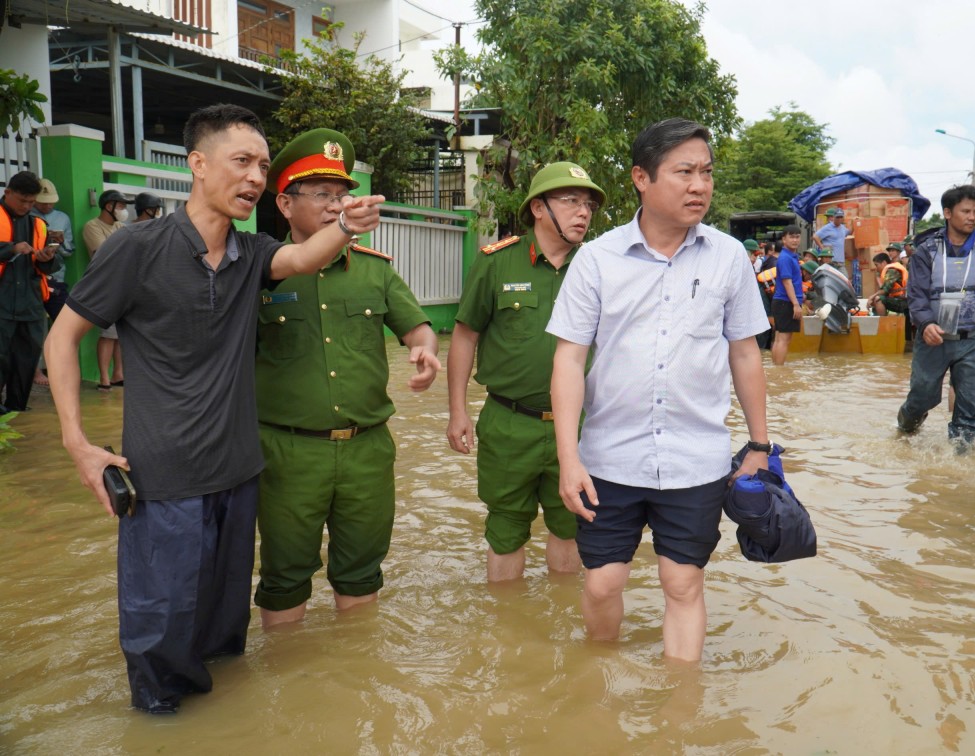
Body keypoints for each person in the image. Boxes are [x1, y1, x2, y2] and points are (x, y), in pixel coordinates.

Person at [44, 103, 386, 714]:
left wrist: (350, 223)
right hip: (164, 479)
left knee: (226, 640)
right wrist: (77, 441)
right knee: (161, 638)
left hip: (239, 474)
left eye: (261, 165)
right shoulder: (137, 249)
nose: (256, 176)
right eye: (242, 161)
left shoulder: (252, 254)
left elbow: (304, 258)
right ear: (198, 164)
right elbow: (63, 337)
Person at [547, 118, 770, 661]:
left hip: (696, 459)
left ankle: (679, 714)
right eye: (684, 172)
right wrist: (569, 459)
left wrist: (760, 445)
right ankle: (596, 681)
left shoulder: (728, 258)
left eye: (707, 173)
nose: (700, 186)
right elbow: (569, 360)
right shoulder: (597, 260)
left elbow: (744, 352)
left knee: (683, 585)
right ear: (641, 179)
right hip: (609, 458)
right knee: (601, 584)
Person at [254, 128, 439, 626]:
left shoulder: (375, 271)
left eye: (341, 195)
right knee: (283, 577)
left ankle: (353, 678)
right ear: (286, 204)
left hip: (366, 450)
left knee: (361, 574)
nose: (335, 204)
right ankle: (287, 691)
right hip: (289, 453)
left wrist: (425, 354)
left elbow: (417, 328)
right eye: (321, 195)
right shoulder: (259, 272)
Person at [447, 161, 605, 582]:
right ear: (538, 207)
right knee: (505, 532)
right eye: (570, 201)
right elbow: (465, 336)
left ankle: (561, 629)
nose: (583, 212)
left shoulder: (597, 266)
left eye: (587, 204)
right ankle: (506, 632)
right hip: (509, 422)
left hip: (580, 426)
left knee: (572, 526)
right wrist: (457, 411)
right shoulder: (497, 263)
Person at [896, 185, 975, 452]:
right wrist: (925, 324)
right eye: (965, 211)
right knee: (922, 397)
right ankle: (905, 429)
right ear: (948, 213)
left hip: (974, 339)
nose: (972, 217)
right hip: (934, 337)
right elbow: (917, 295)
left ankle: (962, 460)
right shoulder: (926, 251)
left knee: (969, 407)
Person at [0, 171, 62, 412]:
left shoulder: (39, 225)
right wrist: (10, 249)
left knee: (26, 362)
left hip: (31, 305)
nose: (27, 206)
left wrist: (48, 257)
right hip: (2, 304)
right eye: (22, 200)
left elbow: (53, 266)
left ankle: (17, 410)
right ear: (7, 193)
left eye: (31, 202)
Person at [82, 189, 129, 390]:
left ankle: (118, 374)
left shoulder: (120, 226)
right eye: (120, 206)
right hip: (106, 284)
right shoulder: (92, 226)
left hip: (124, 283)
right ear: (108, 206)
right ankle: (103, 378)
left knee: (121, 334)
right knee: (108, 333)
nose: (123, 210)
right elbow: (103, 253)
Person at [30, 178, 75, 385]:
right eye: (43, 202)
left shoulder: (62, 218)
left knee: (64, 325)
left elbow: (68, 252)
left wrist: (62, 245)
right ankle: (36, 370)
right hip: (33, 279)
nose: (48, 206)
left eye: (51, 202)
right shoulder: (28, 217)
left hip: (56, 279)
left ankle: (59, 368)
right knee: (35, 327)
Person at [770, 224, 804, 366]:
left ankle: (776, 369)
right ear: (784, 239)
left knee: (779, 338)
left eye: (797, 237)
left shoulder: (791, 256)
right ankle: (779, 370)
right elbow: (787, 282)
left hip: (783, 301)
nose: (795, 240)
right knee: (784, 339)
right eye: (791, 237)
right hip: (786, 302)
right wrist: (795, 304)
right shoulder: (785, 258)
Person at [868, 252, 908, 316]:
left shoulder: (892, 270)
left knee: (878, 299)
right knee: (874, 301)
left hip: (904, 302)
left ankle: (883, 324)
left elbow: (884, 290)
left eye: (876, 265)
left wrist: (871, 297)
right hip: (899, 299)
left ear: (883, 263)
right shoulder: (888, 271)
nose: (876, 268)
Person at [813, 208, 849, 275]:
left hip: (840, 262)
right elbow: (815, 236)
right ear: (834, 217)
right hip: (831, 262)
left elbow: (849, 233)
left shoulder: (842, 227)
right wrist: (822, 247)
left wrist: (854, 222)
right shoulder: (828, 227)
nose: (839, 219)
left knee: (845, 281)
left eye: (841, 217)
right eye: (837, 217)